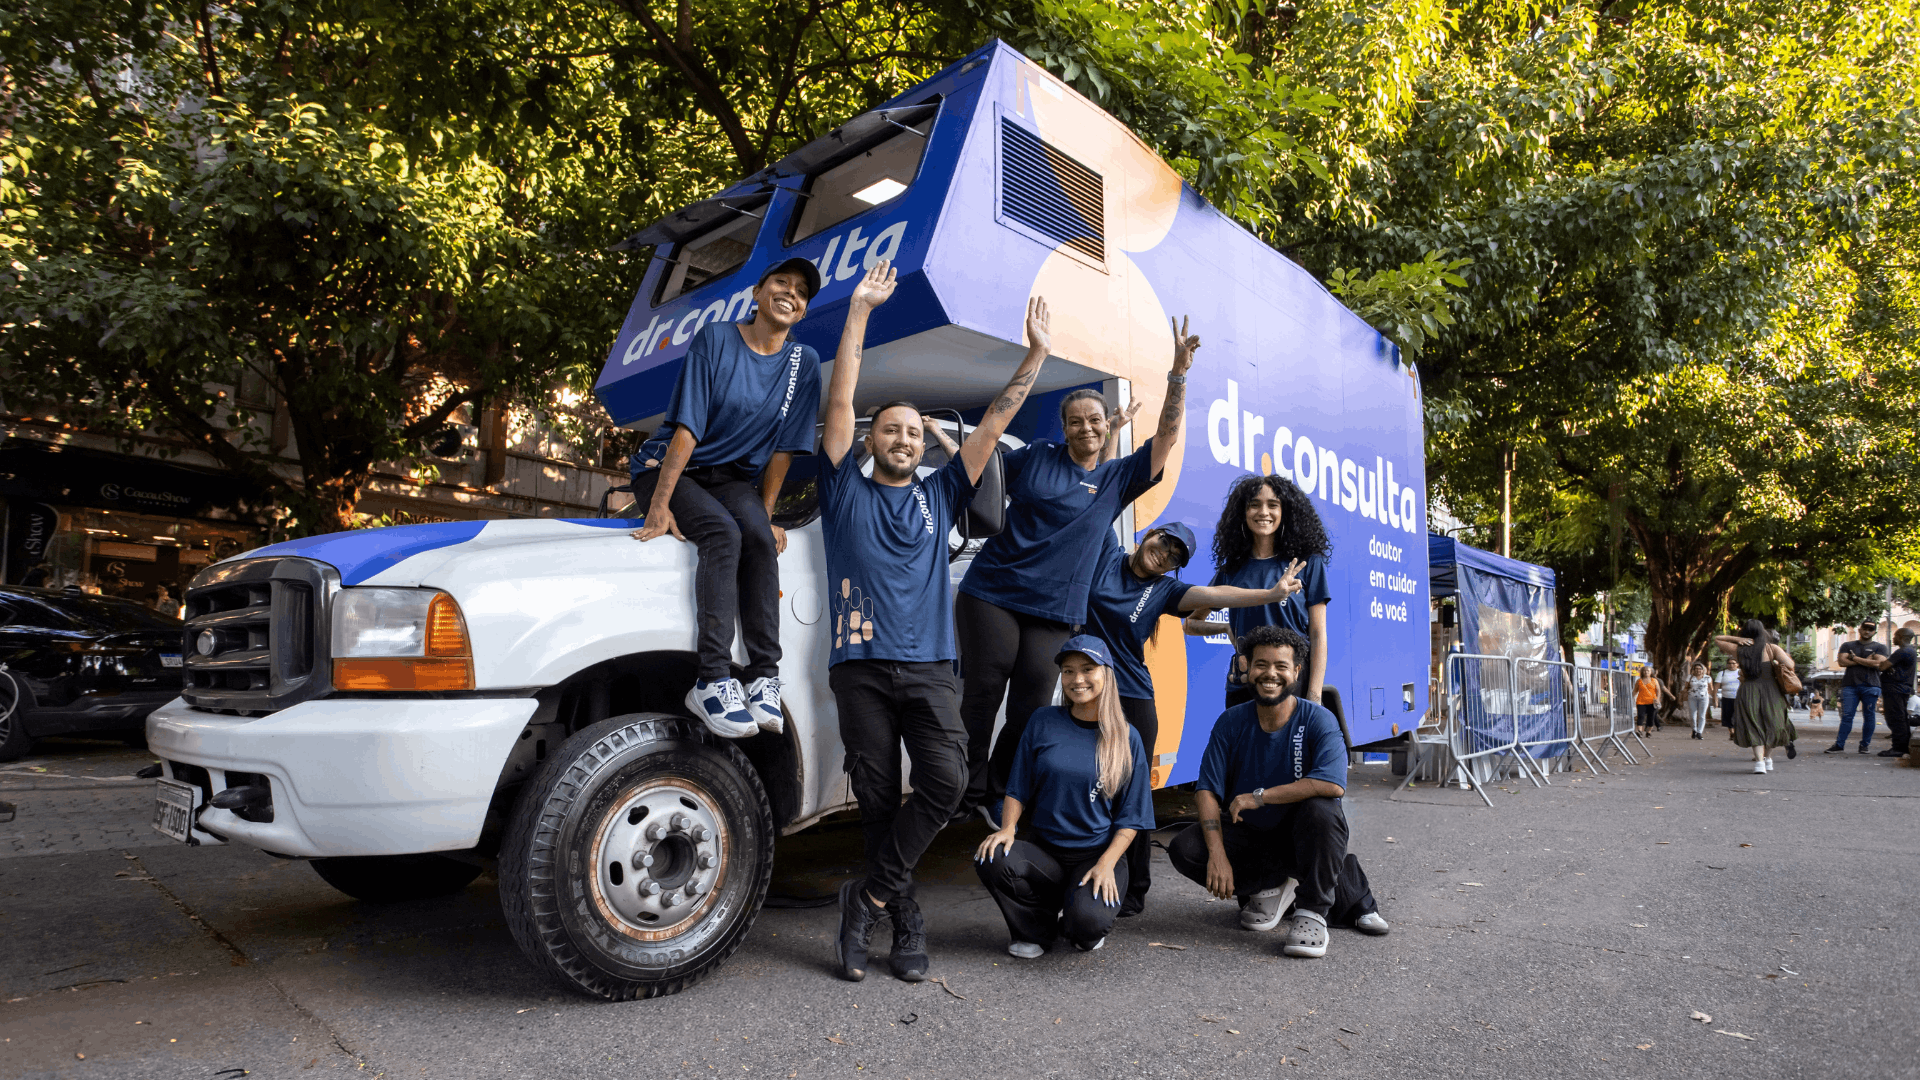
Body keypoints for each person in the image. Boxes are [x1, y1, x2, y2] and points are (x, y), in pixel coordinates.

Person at [822, 262, 1055, 983]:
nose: (902, 439)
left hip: (928, 667)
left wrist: (1037, 356)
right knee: (875, 800)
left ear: (925, 448)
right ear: (869, 441)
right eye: (890, 429)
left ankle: (873, 894)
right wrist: (858, 313)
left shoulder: (941, 495)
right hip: (858, 668)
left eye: (913, 433)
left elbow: (994, 423)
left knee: (949, 781)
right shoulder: (841, 492)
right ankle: (905, 916)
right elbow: (840, 395)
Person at [956, 317, 1199, 825]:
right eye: (1076, 421)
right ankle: (964, 787)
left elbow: (1166, 436)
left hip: (1053, 610)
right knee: (983, 690)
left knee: (1028, 707)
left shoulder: (1115, 478)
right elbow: (983, 461)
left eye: (1094, 420)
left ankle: (995, 790)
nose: (1086, 427)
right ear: (1063, 427)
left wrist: (1177, 374)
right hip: (994, 592)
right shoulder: (1036, 460)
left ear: (1104, 425)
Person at [629, 257, 825, 738]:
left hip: (731, 479)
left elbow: (784, 449)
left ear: (801, 313)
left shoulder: (804, 363)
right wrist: (658, 505)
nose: (791, 293)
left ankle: (763, 678)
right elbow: (688, 428)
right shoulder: (716, 339)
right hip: (668, 468)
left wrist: (768, 512)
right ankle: (713, 680)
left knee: (758, 536)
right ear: (757, 293)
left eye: (801, 292)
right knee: (723, 533)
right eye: (782, 281)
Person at [1079, 524, 1305, 917]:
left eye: (1175, 556)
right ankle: (1080, 877)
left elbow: (1217, 595)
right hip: (1086, 687)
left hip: (1132, 694)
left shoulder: (1165, 592)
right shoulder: (1106, 556)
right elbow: (1103, 502)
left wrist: (1271, 594)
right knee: (1082, 783)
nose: (1165, 554)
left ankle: (1135, 890)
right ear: (1148, 534)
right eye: (1164, 542)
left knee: (1132, 793)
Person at [1167, 625, 1388, 958]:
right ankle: (1273, 885)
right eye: (1261, 664)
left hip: (1302, 834)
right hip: (1252, 835)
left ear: (1296, 672)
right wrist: (1217, 856)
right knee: (1185, 848)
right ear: (1247, 668)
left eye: (1281, 666)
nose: (1270, 674)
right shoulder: (1230, 721)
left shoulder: (1318, 719)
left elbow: (1332, 784)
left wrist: (1258, 796)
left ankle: (1315, 911)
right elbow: (1207, 791)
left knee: (1321, 810)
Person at [972, 636, 1154, 957]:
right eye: (1068, 671)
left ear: (1107, 674)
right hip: (1046, 854)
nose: (1077, 679)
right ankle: (1035, 930)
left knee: (1086, 928)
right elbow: (1018, 787)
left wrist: (1106, 863)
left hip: (1095, 855)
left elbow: (1132, 817)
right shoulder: (1043, 721)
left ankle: (1077, 914)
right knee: (993, 855)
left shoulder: (1127, 737)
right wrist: (1008, 828)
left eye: (1087, 669)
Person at [1182, 474, 1334, 711]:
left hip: (1291, 686)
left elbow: (1317, 635)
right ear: (1243, 513)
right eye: (1254, 504)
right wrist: (1224, 628)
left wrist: (1314, 696)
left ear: (1286, 512)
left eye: (1273, 505)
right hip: (1244, 685)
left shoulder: (1307, 564)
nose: (1264, 512)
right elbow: (1191, 624)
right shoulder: (1232, 570)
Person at [1713, 620, 1797, 773]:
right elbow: (1790, 665)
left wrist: (1737, 640)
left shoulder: (1738, 649)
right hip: (1772, 691)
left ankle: (1759, 763)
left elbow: (1717, 639)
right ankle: (1767, 758)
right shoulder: (1772, 648)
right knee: (1773, 724)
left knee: (1753, 724)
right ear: (1762, 632)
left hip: (1748, 690)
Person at [1830, 621, 1890, 754]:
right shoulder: (1847, 645)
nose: (1867, 631)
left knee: (1869, 716)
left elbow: (1879, 664)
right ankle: (1839, 745)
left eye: (1871, 629)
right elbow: (1841, 661)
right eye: (1865, 628)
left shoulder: (1880, 647)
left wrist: (1855, 658)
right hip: (1850, 685)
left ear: (1874, 632)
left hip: (1871, 685)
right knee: (1847, 716)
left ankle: (1864, 745)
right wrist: (1868, 661)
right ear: (1859, 629)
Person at [1879, 627, 1915, 758]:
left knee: (1896, 718)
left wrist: (1885, 665)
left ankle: (1899, 748)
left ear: (1901, 637)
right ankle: (1903, 746)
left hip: (1896, 689)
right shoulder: (1910, 651)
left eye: (1895, 636)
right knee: (1900, 717)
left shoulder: (1902, 651)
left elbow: (1883, 666)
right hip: (1900, 689)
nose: (1893, 638)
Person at [1632, 668, 1670, 736]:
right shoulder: (1639, 681)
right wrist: (1631, 697)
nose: (1646, 672)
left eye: (1648, 671)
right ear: (1642, 672)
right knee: (1640, 716)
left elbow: (1658, 691)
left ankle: (1648, 731)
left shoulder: (1654, 680)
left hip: (1652, 702)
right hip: (1641, 702)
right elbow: (1635, 690)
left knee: (1651, 717)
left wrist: (1658, 699)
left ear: (1651, 672)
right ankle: (1639, 731)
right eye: (1644, 671)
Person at [1685, 662, 1713, 739]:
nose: (1698, 670)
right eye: (1696, 669)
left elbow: (1711, 688)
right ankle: (1694, 729)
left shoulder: (1707, 678)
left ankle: (1699, 732)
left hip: (1704, 698)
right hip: (1692, 697)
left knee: (1702, 715)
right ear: (1693, 670)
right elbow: (1686, 687)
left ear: (1703, 670)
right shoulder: (1690, 677)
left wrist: (1713, 698)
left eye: (1700, 669)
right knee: (1692, 716)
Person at [1715, 655, 1741, 729]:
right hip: (1726, 697)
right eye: (1729, 663)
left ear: (1737, 664)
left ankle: (1736, 730)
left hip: (1738, 697)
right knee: (1727, 716)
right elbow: (1716, 686)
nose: (1731, 665)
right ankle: (1731, 732)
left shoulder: (1741, 672)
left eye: (1733, 663)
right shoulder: (1722, 673)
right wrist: (1715, 698)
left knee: (1737, 715)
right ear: (1727, 664)